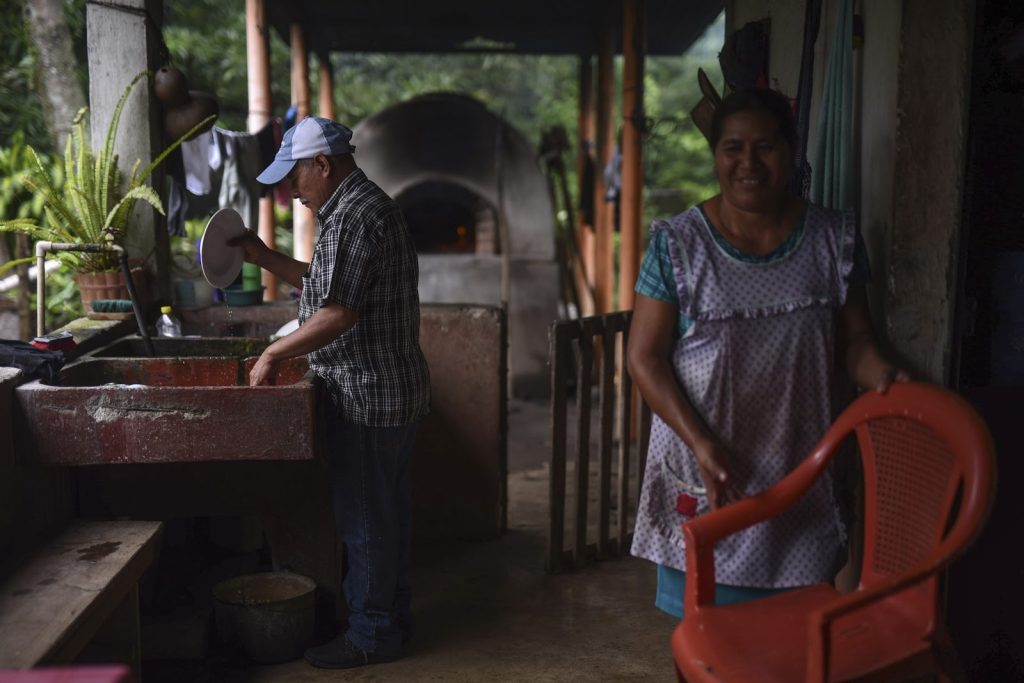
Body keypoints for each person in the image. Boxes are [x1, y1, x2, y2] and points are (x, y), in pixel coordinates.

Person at [627, 88, 909, 619]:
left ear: (791, 149)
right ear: (715, 155)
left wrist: (888, 378)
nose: (748, 163)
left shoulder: (834, 239)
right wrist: (702, 442)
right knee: (708, 643)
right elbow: (645, 358)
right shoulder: (678, 245)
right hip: (707, 467)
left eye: (766, 146)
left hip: (800, 468)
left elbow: (856, 345)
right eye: (733, 148)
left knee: (795, 637)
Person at [232, 116, 431, 668]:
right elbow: (328, 284)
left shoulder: (353, 217)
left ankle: (371, 636)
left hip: (368, 396)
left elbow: (338, 312)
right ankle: (392, 619)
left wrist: (275, 352)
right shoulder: (356, 208)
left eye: (296, 178)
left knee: (365, 522)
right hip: (391, 392)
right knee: (387, 516)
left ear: (323, 165)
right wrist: (262, 255)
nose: (292, 191)